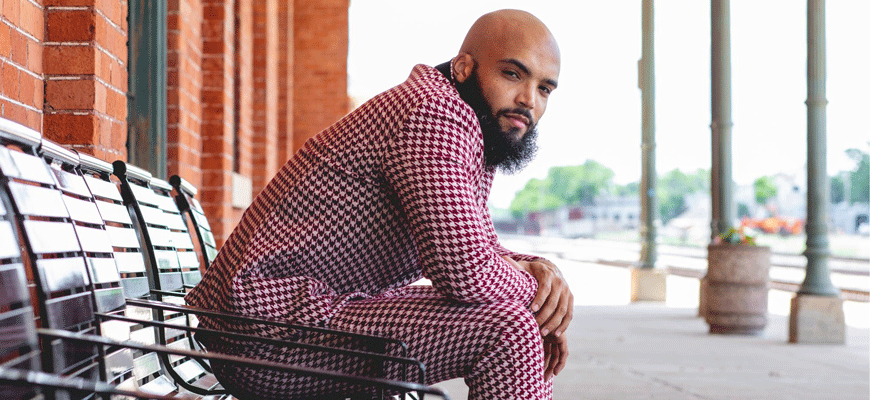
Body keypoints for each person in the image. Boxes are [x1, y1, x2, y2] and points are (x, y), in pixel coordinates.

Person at [186, 9, 573, 400]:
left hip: (293, 320)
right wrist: (543, 303)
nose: (528, 100)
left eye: (544, 89)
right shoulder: (435, 114)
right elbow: (465, 270)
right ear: (463, 67)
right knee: (509, 329)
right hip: (266, 334)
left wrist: (541, 271)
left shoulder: (467, 125)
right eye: (512, 74)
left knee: (516, 318)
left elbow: (476, 247)